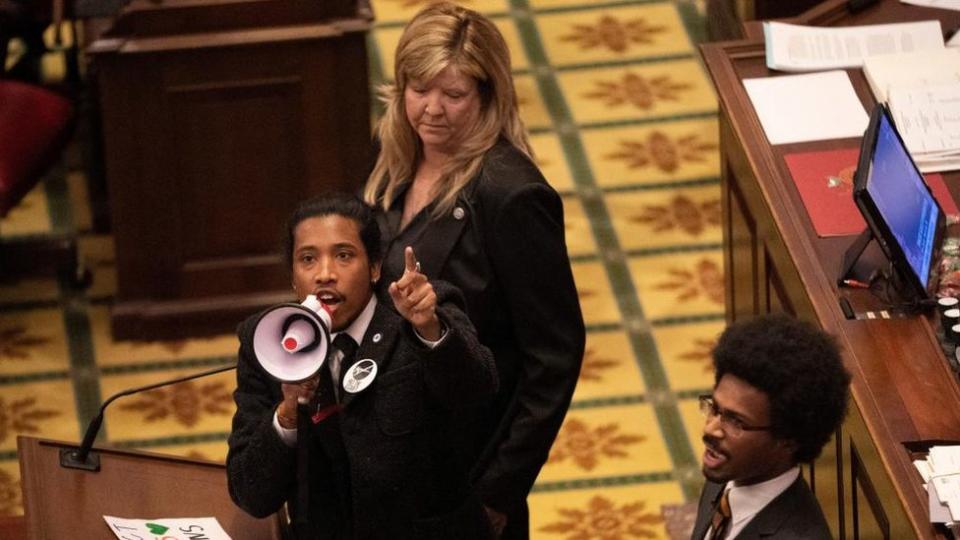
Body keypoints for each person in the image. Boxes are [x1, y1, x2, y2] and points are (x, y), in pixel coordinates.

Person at [362, 3, 585, 537]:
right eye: (419, 89)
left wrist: (498, 492)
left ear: (488, 97)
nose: (430, 110)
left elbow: (553, 358)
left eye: (453, 94)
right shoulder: (395, 152)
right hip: (389, 452)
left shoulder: (511, 196)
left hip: (464, 472)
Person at [227, 194, 499, 539]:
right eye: (308, 259)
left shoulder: (419, 312)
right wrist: (288, 413)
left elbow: (477, 392)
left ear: (374, 268)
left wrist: (429, 330)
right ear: (293, 278)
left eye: (343, 256)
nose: (325, 274)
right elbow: (251, 495)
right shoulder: (266, 341)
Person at [691, 314, 851, 540]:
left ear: (788, 438)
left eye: (737, 422)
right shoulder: (726, 475)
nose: (711, 430)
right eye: (715, 409)